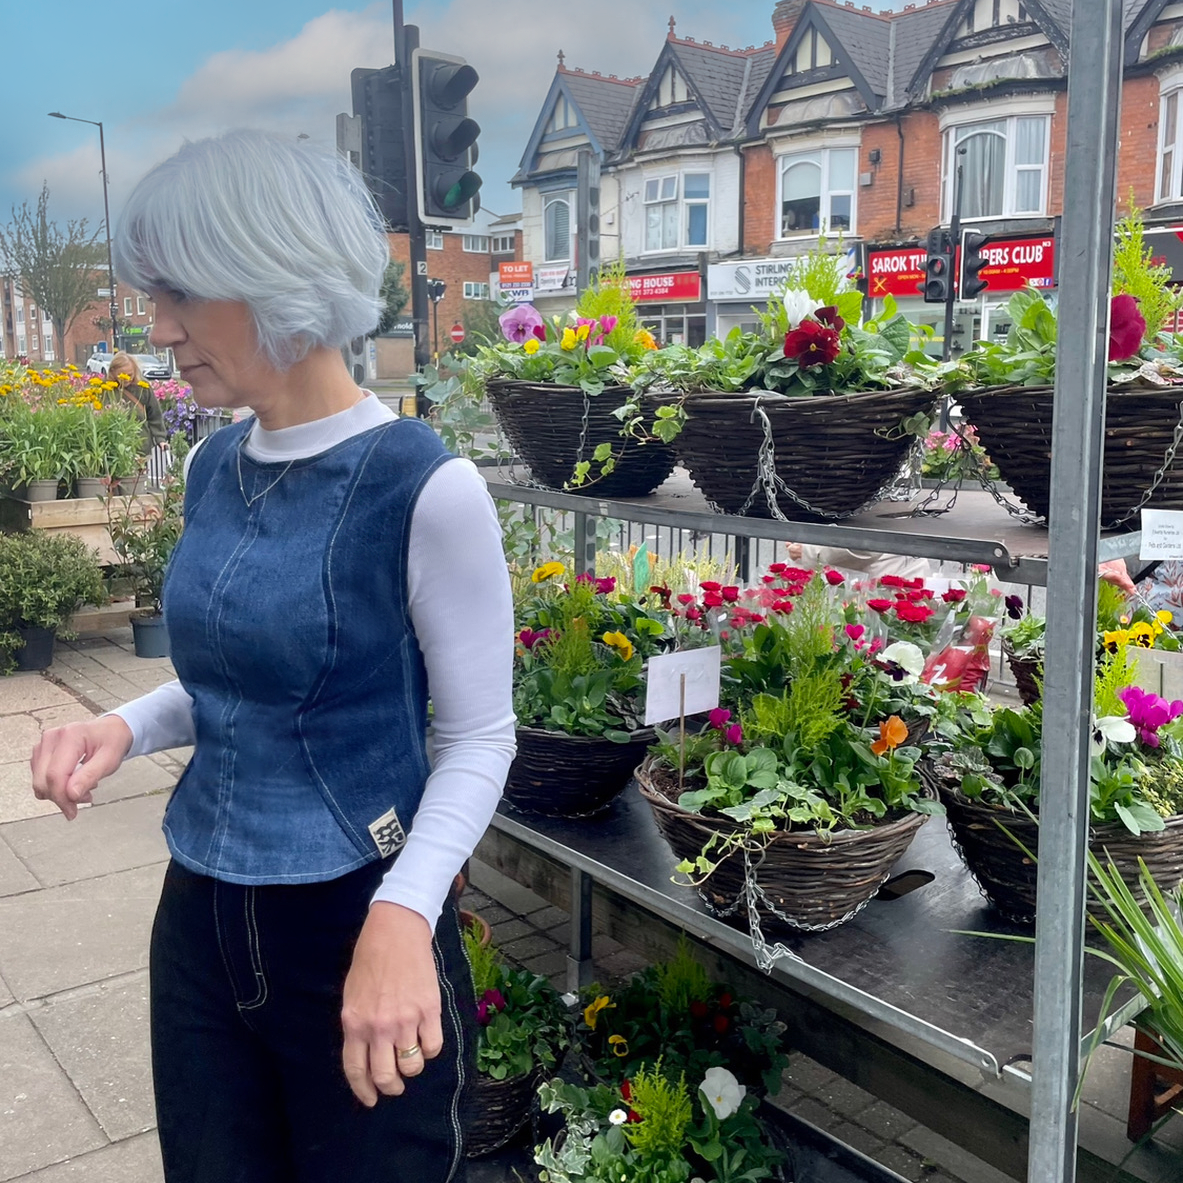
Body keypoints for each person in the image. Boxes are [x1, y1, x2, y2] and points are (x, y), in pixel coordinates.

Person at [28, 130, 515, 1183]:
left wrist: (403, 915)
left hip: (356, 917)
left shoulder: (424, 485)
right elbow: (237, 679)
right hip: (200, 920)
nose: (158, 329)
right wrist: (122, 724)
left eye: (180, 295)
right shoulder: (212, 465)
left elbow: (480, 736)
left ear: (272, 276)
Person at [108, 350, 168, 452]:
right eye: (122, 375)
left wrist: (160, 439)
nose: (126, 378)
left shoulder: (143, 388)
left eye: (130, 374)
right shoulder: (106, 389)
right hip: (114, 447)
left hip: (140, 446)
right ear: (113, 372)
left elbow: (154, 415)